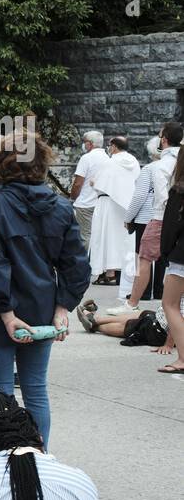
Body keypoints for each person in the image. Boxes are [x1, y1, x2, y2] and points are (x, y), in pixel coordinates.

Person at [0, 133, 88, 447]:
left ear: (0, 165)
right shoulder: (62, 207)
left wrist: (6, 311)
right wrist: (62, 307)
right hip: (44, 306)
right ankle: (39, 454)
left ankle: (1, 456)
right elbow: (77, 266)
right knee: (36, 388)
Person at [108, 121, 180, 315]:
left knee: (144, 259)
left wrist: (128, 218)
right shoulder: (179, 160)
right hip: (179, 218)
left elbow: (155, 197)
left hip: (160, 218)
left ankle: (132, 302)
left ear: (164, 140)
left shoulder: (156, 167)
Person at [87, 136, 139, 285]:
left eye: (110, 146)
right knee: (121, 239)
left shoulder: (110, 162)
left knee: (105, 237)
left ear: (114, 147)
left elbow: (97, 183)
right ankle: (120, 272)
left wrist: (93, 182)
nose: (109, 148)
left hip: (107, 203)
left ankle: (109, 273)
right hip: (126, 205)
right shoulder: (134, 162)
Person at [154, 150, 184, 374]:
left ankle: (182, 358)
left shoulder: (179, 190)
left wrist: (165, 252)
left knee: (171, 304)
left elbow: (171, 228)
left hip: (182, 256)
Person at [68, 129, 108, 248]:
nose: (83, 144)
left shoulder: (86, 158)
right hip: (100, 202)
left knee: (85, 236)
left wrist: (72, 198)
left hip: (84, 204)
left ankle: (85, 264)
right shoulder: (107, 158)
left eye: (84, 142)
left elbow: (78, 183)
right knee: (98, 236)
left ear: (90, 143)